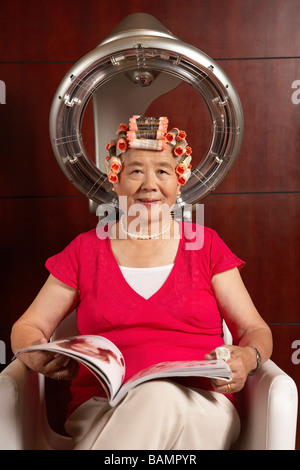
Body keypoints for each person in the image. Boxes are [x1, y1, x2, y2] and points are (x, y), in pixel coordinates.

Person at [11, 116, 273, 450]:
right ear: (115, 181)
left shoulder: (206, 246)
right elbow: (28, 326)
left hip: (203, 405)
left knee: (161, 394)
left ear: (179, 182)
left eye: (162, 171)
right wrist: (35, 354)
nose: (149, 184)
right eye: (135, 171)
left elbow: (255, 330)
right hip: (105, 408)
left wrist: (248, 358)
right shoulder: (84, 250)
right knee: (155, 402)